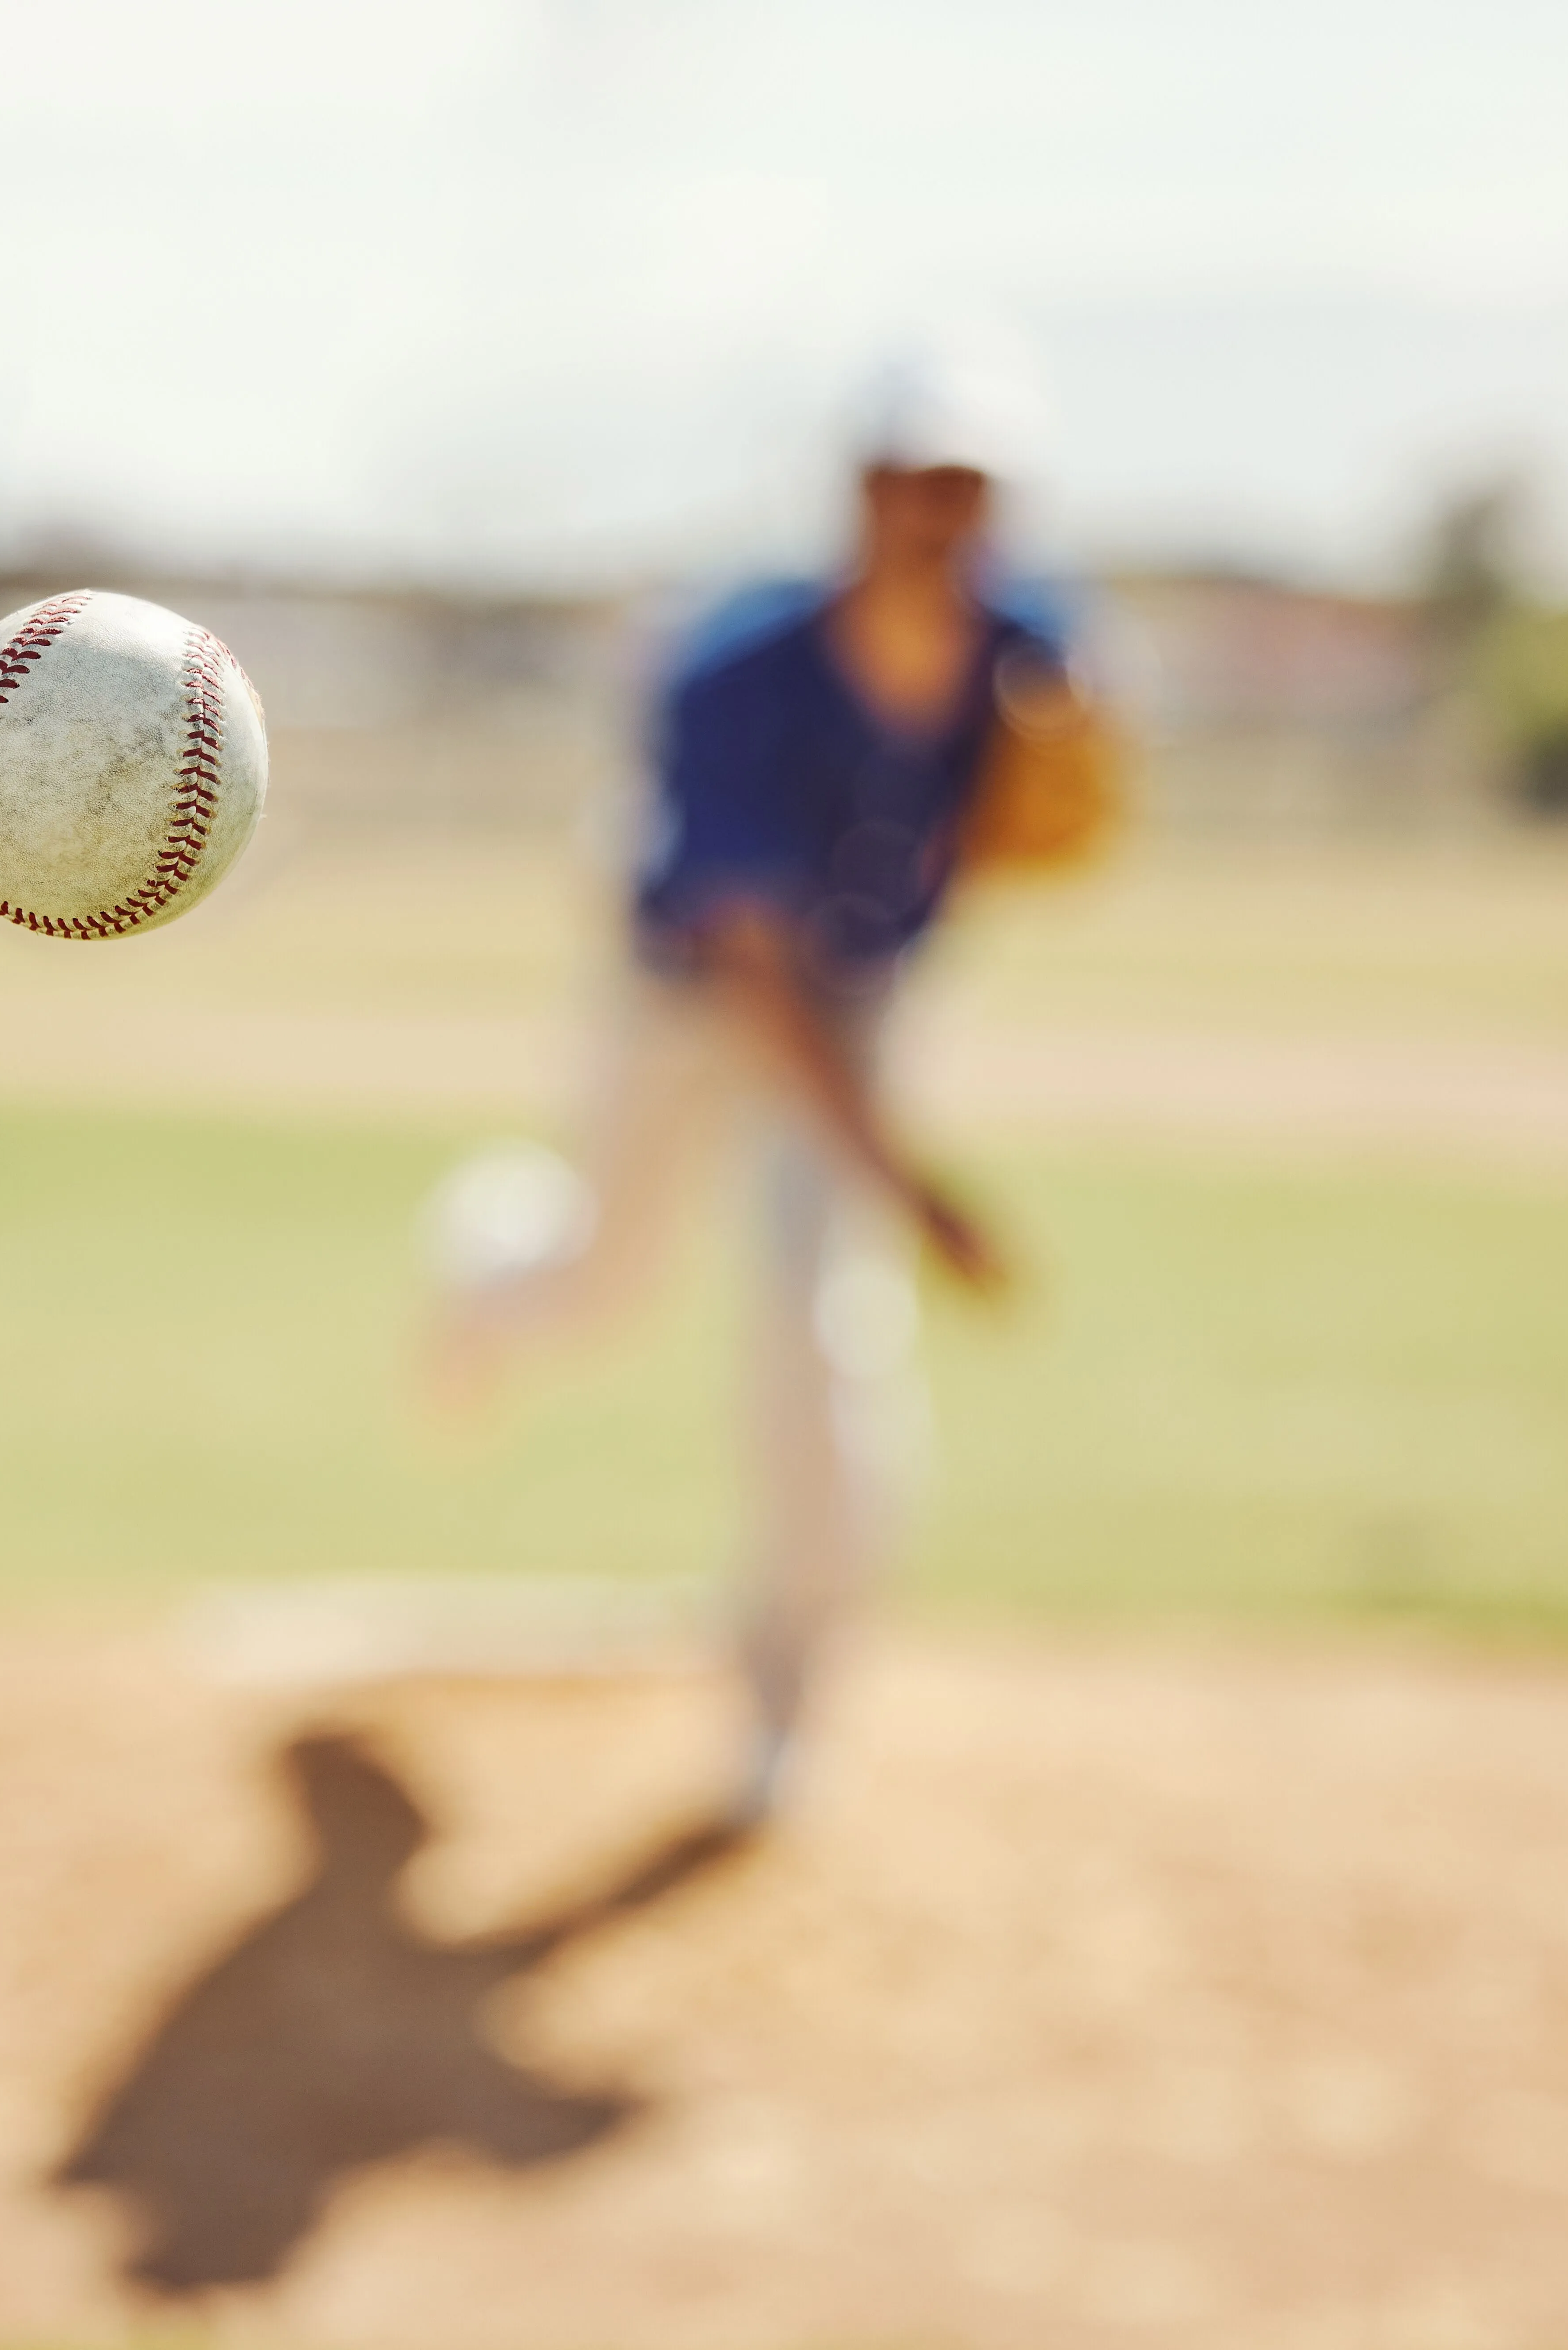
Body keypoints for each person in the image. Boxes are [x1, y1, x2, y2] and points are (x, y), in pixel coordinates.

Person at [427, 347, 1110, 1829]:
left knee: (819, 1334)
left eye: (968, 487)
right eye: (911, 481)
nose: (938, 514)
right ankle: (477, 1266)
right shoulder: (737, 664)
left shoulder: (1031, 651)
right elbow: (752, 965)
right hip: (692, 990)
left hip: (856, 995)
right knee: (599, 1282)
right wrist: (911, 1182)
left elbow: (1022, 825)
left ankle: (788, 1700)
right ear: (856, 492)